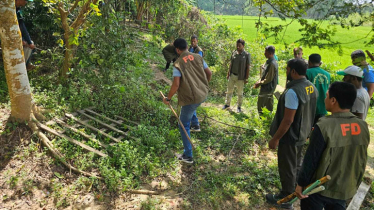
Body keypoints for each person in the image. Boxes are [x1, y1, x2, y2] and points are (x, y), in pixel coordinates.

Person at [295, 81, 370, 210]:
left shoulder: (324, 126)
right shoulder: (362, 126)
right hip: (345, 187)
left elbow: (311, 160)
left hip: (319, 188)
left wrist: (301, 184)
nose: (325, 99)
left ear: (333, 100)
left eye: (327, 96)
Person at [266, 59, 318, 209]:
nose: (286, 72)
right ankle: (295, 190)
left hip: (290, 137)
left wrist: (275, 139)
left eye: (288, 69)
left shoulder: (293, 92)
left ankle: (286, 197)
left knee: (287, 166)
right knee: (296, 164)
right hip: (303, 134)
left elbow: (288, 120)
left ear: (293, 71)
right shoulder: (311, 87)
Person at [162, 38, 212, 164]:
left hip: (191, 98)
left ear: (178, 50)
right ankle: (195, 124)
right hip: (203, 94)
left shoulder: (178, 64)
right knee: (190, 111)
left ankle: (188, 155)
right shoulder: (198, 57)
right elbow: (209, 73)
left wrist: (168, 98)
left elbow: (176, 85)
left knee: (183, 123)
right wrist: (204, 86)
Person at [223, 39, 250, 113]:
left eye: (239, 46)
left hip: (240, 77)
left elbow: (248, 67)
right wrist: (228, 73)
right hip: (232, 75)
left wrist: (246, 78)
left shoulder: (246, 55)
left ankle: (239, 107)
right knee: (229, 91)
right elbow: (231, 64)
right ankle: (227, 104)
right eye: (237, 45)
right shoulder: (234, 53)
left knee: (240, 93)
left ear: (243, 46)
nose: (238, 47)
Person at [306, 54, 330, 124]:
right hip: (323, 106)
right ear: (320, 63)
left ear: (309, 62)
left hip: (311, 106)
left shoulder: (307, 72)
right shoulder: (327, 74)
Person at [254, 45, 278, 114]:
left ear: (270, 53)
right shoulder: (268, 62)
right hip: (266, 87)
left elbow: (268, 78)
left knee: (262, 105)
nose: (264, 53)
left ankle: (264, 120)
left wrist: (259, 83)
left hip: (268, 88)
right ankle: (266, 120)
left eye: (266, 52)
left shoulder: (272, 64)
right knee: (266, 104)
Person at [15, 0, 36, 70]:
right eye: (25, 0)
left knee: (31, 45)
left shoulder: (18, 10)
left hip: (16, 36)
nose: (26, 2)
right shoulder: (7, 10)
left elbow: (22, 27)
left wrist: (28, 42)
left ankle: (26, 65)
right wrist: (19, 40)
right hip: (7, 37)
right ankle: (22, 67)